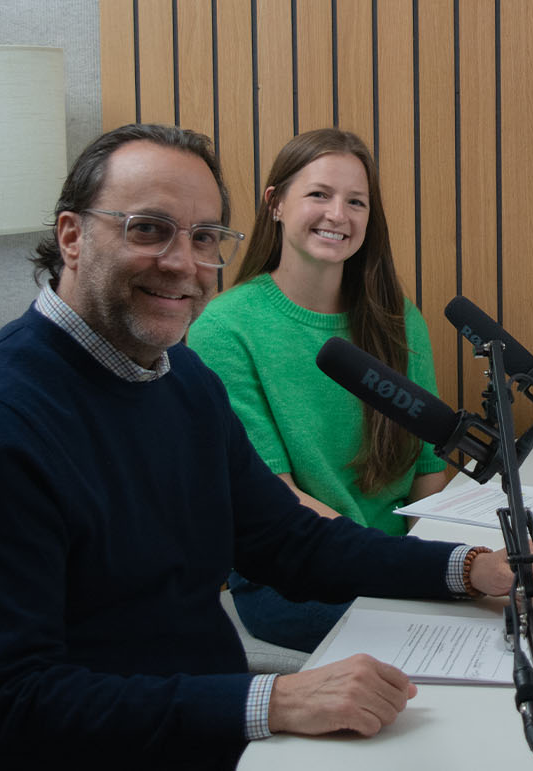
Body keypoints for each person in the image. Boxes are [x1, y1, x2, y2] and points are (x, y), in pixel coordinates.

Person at [0, 123, 533, 771]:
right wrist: (274, 700)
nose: (183, 263)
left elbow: (290, 540)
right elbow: (11, 702)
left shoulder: (183, 381)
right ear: (72, 236)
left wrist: (463, 568)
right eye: (148, 228)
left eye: (204, 238)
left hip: (216, 739)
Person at [188, 128, 446, 652]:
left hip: (397, 564)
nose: (339, 215)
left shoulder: (397, 320)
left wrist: (438, 563)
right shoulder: (224, 329)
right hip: (293, 580)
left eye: (356, 202)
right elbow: (277, 502)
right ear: (275, 203)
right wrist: (410, 574)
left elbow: (428, 475)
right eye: (319, 195)